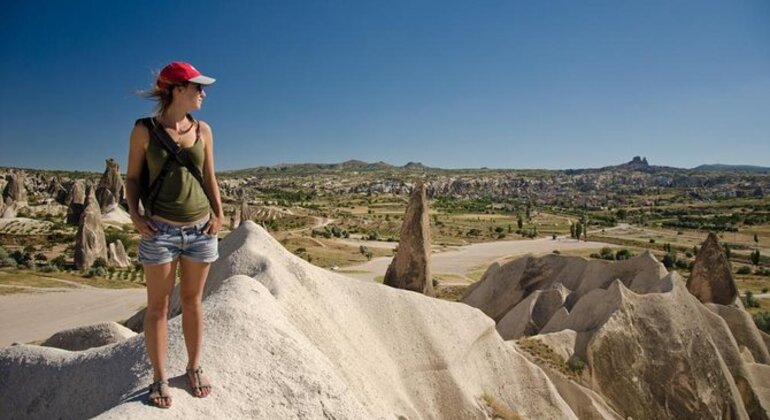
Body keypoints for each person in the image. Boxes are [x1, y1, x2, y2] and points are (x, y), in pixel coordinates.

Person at [125, 61, 224, 408]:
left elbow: (209, 176)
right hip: (159, 230)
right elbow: (133, 178)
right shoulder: (143, 130)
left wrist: (219, 213)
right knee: (158, 307)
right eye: (197, 87)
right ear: (177, 90)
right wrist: (135, 216)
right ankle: (160, 377)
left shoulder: (204, 130)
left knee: (194, 302)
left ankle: (194, 368)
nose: (203, 93)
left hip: (200, 229)